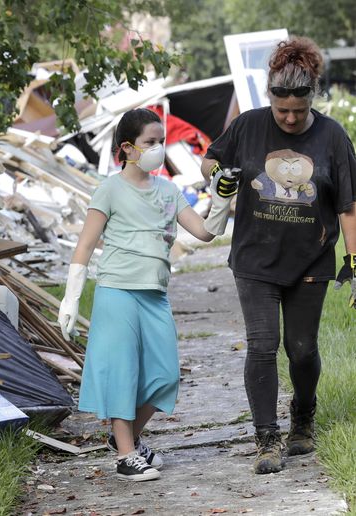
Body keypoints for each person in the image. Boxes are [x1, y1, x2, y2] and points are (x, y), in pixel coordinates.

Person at [200, 36, 356, 475]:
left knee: (302, 350)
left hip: (311, 260)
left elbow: (348, 205)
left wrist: (355, 263)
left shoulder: (333, 136)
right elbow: (208, 162)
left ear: (313, 98)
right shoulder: (248, 126)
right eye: (281, 109)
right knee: (262, 347)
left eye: (298, 111)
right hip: (254, 260)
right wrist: (221, 179)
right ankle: (266, 438)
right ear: (269, 94)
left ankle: (302, 418)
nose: (289, 118)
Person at [58, 108, 232, 481]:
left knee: (165, 375)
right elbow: (85, 245)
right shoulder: (109, 189)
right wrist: (71, 298)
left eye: (161, 142)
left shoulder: (169, 191)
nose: (158, 148)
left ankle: (128, 439)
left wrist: (222, 200)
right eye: (150, 143)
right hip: (117, 291)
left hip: (154, 295)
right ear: (128, 148)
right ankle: (125, 455)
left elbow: (204, 233)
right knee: (123, 373)